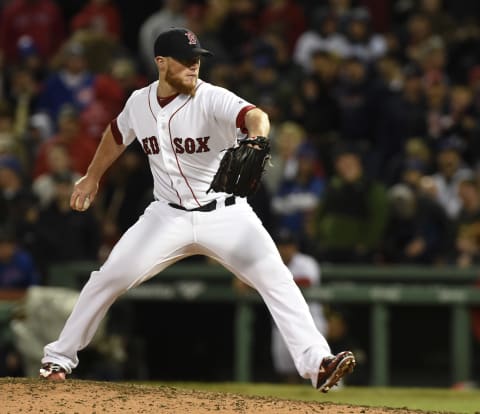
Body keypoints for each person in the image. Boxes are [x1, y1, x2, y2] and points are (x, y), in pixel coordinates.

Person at [38, 27, 355, 391]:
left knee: (277, 280)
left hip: (226, 214)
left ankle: (318, 363)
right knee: (108, 278)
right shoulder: (139, 102)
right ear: (161, 63)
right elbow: (116, 132)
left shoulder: (211, 98)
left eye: (198, 60)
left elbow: (256, 116)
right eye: (186, 60)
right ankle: (57, 359)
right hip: (166, 215)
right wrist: (92, 177)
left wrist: (257, 137)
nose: (194, 67)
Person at [270, 229, 327, 383]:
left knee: (317, 365)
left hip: (311, 320)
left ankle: (327, 403)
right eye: (281, 245)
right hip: (282, 322)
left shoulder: (306, 262)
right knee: (287, 371)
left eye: (288, 245)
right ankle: (295, 405)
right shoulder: (269, 263)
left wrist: (272, 284)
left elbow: (307, 283)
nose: (284, 249)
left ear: (295, 247)